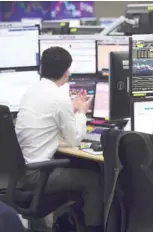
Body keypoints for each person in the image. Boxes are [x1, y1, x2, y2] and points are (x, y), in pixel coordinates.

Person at [15, 47, 103, 232]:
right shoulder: (58, 98)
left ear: (41, 68)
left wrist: (69, 111)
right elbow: (74, 141)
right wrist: (81, 113)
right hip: (37, 174)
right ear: (66, 72)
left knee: (83, 168)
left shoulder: (31, 91)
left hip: (21, 172)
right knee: (93, 179)